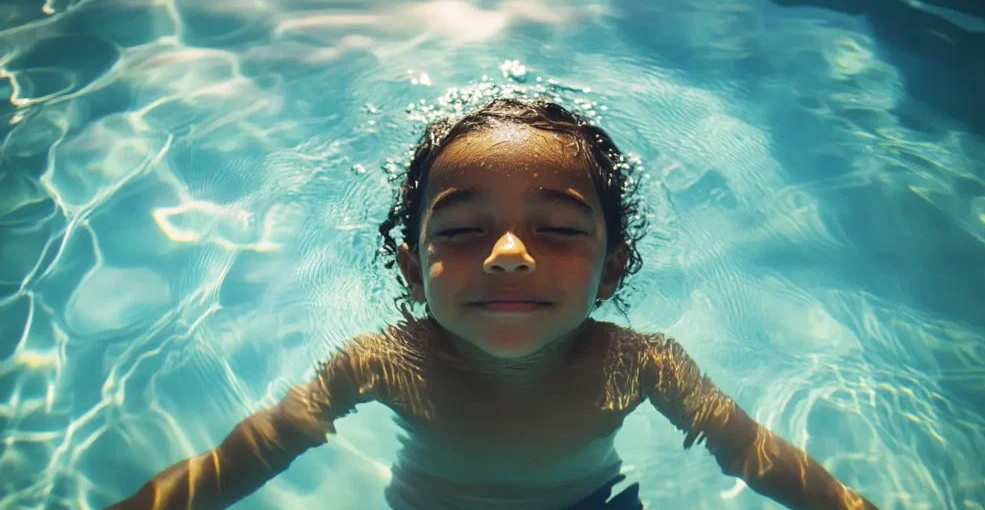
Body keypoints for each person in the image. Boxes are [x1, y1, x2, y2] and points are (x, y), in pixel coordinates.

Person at [109, 98, 878, 510]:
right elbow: (247, 459)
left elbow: (758, 460)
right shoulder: (384, 360)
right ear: (413, 271)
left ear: (611, 273)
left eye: (556, 228)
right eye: (466, 229)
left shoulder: (638, 363)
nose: (509, 253)